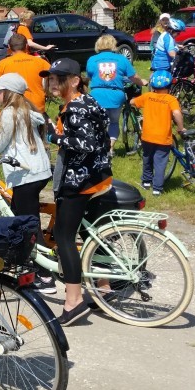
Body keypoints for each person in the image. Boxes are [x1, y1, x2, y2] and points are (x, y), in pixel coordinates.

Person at [42, 58, 112, 326]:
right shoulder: (88, 101)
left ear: (74, 81)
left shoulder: (75, 108)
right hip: (97, 175)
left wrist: (54, 137)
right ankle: (104, 287)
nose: (53, 83)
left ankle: (74, 301)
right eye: (50, 78)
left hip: (79, 180)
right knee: (87, 232)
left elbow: (86, 143)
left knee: (64, 237)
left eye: (59, 79)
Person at [0, 72, 54, 293]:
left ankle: (46, 275)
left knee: (29, 224)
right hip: (39, 171)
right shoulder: (27, 110)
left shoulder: (9, 113)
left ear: (8, 93)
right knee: (20, 215)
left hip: (25, 175)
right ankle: (27, 262)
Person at [85, 35, 147, 147]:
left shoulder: (92, 60)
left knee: (98, 124)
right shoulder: (121, 59)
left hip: (97, 96)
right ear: (113, 44)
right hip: (116, 95)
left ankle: (99, 146)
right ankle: (110, 148)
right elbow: (134, 77)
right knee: (114, 122)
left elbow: (88, 77)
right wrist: (142, 82)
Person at [131, 71, 186, 195]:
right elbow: (177, 113)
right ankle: (157, 189)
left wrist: (132, 100)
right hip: (163, 138)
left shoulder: (147, 96)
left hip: (147, 136)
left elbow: (133, 103)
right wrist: (181, 127)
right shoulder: (171, 99)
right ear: (169, 85)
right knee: (160, 162)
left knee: (147, 158)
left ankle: (146, 182)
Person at [0, 33, 52, 112]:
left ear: (9, 47)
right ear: (26, 46)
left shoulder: (2, 64)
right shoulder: (41, 62)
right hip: (36, 107)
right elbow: (54, 79)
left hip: (13, 108)